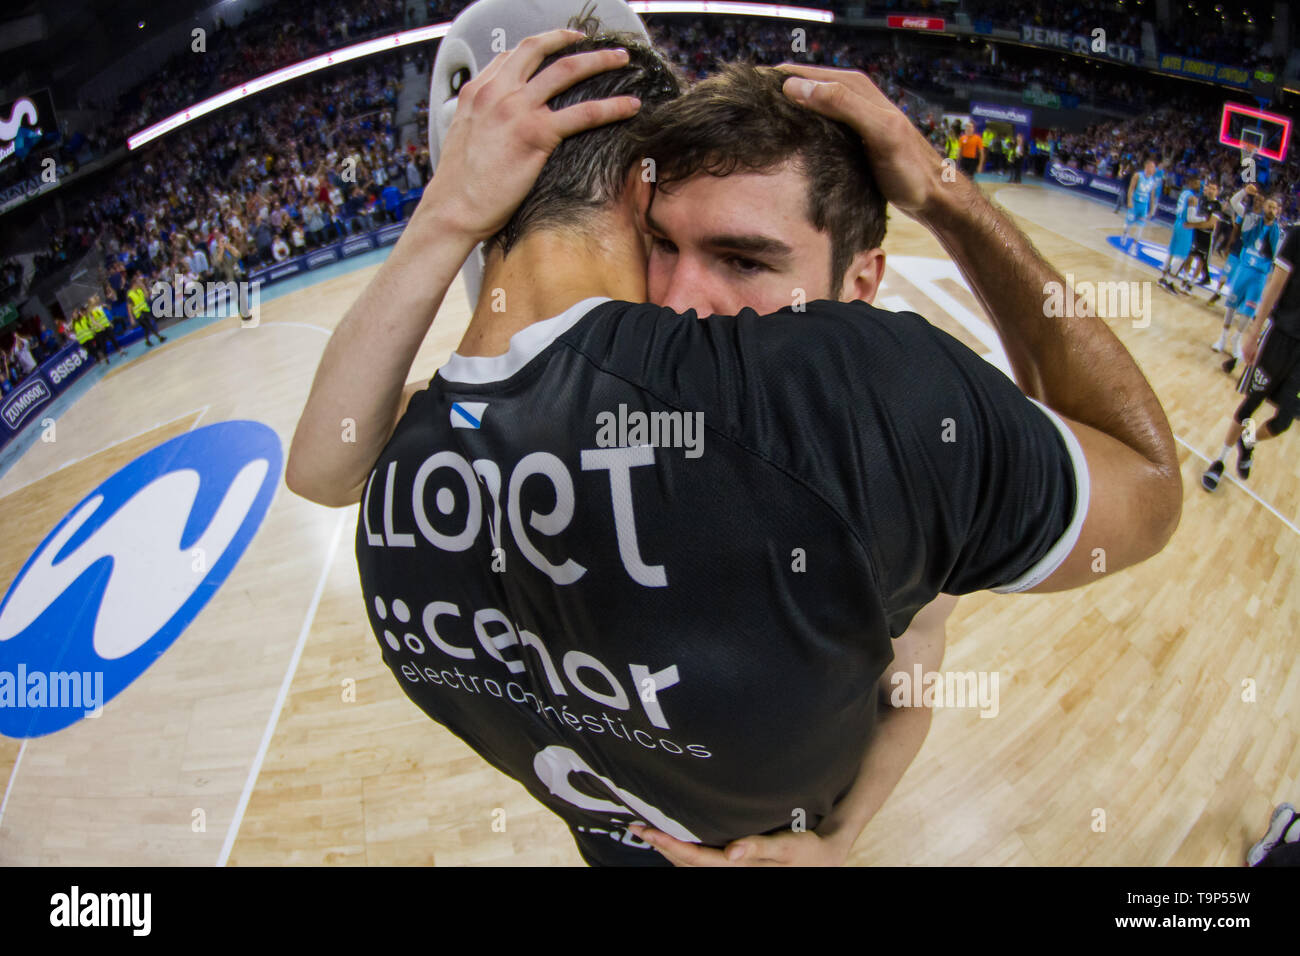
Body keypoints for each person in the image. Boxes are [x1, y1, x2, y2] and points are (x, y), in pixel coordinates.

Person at [288, 27, 1180, 867]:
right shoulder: (870, 425)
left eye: (744, 262)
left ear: (861, 282)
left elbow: (912, 675)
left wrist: (846, 835)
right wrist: (944, 193)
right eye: (661, 245)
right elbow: (1144, 480)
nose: (677, 301)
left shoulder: (873, 434)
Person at [1201, 215, 1300, 491]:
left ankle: (1249, 441)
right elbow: (1275, 286)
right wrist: (1254, 332)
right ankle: (1219, 461)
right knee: (1250, 406)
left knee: (1283, 421)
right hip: (1279, 338)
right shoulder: (1296, 236)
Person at [1213, 193, 1280, 367]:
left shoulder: (1278, 233)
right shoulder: (1251, 220)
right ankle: (1222, 338)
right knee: (1231, 305)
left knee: (1248, 312)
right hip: (1244, 269)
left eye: (1274, 208)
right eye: (1269, 206)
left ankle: (1237, 339)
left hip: (1259, 276)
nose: (1271, 210)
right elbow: (1234, 202)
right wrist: (1245, 191)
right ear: (1264, 206)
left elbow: (1277, 259)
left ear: (1278, 211)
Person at [1158, 174, 1199, 294]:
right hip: (1185, 226)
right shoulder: (1192, 198)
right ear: (1191, 183)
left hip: (1177, 222)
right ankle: (1170, 281)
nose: (1199, 185)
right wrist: (1204, 220)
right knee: (1182, 256)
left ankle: (1162, 278)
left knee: (1171, 252)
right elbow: (1191, 218)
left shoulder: (1184, 193)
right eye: (1197, 183)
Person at [1120, 157, 1160, 247]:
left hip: (1144, 206)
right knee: (1128, 224)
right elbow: (1131, 188)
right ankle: (1125, 235)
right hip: (1135, 203)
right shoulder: (1138, 175)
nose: (1153, 169)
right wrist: (1129, 201)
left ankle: (1134, 245)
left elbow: (1152, 196)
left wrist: (1151, 210)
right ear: (1147, 166)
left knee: (1140, 227)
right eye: (1152, 167)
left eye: (1154, 167)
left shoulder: (1152, 181)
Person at [127, 275, 166, 347]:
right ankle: (159, 337)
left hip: (145, 310)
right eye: (138, 282)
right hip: (139, 314)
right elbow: (129, 307)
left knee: (146, 328)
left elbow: (147, 297)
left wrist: (144, 288)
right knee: (149, 325)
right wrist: (131, 318)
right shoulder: (130, 295)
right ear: (134, 284)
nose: (140, 283)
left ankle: (147, 341)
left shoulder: (139, 290)